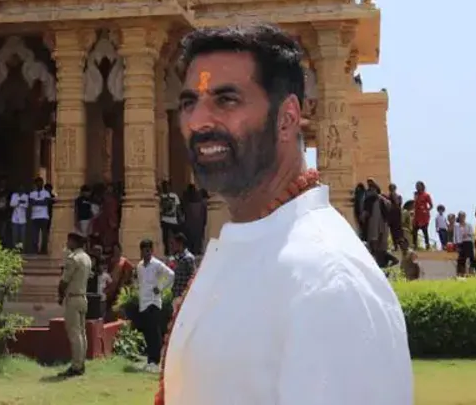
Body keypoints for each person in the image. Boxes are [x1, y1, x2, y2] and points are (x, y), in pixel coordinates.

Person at [159, 24, 411, 405]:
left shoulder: (327, 279)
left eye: (226, 100)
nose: (199, 121)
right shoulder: (249, 242)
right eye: (189, 102)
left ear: (287, 117)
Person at [134, 238, 174, 372]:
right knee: (147, 332)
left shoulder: (157, 264)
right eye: (143, 250)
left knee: (154, 332)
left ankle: (156, 361)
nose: (146, 253)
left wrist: (160, 287)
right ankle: (150, 359)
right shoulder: (139, 266)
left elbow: (170, 275)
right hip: (143, 302)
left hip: (154, 301)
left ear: (151, 250)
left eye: (148, 250)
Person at [57, 231, 92, 378]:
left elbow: (64, 281)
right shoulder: (86, 258)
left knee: (74, 333)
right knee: (82, 333)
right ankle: (81, 363)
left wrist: (60, 295)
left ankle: (76, 366)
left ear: (75, 242)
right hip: (83, 297)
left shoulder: (73, 259)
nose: (67, 243)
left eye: (69, 241)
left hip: (72, 298)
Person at [181, 184, 208, 255]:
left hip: (191, 223)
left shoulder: (188, 202)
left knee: (191, 239)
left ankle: (194, 251)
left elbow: (185, 213)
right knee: (197, 238)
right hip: (198, 223)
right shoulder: (201, 203)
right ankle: (196, 251)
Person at [168, 232, 195, 300]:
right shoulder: (175, 258)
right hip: (175, 295)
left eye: (173, 244)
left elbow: (193, 277)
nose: (171, 246)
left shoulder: (188, 258)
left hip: (184, 297)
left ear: (180, 243)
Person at [158, 180, 182, 256]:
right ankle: (167, 252)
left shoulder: (174, 196)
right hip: (164, 220)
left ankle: (177, 250)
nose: (166, 188)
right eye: (164, 186)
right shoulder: (161, 197)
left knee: (176, 237)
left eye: (167, 186)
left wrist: (180, 217)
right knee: (165, 238)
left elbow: (178, 208)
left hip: (173, 220)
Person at [412, 181, 433, 250]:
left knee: (425, 231)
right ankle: (414, 245)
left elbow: (431, 205)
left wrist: (426, 210)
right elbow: (414, 204)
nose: (417, 187)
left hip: (424, 217)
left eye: (418, 185)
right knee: (414, 230)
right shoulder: (415, 195)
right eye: (416, 186)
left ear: (422, 186)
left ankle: (427, 244)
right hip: (417, 216)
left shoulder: (426, 195)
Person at [453, 211, 475, 275]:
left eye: (463, 216)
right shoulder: (456, 226)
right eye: (460, 216)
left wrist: (467, 234)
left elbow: (472, 234)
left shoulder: (469, 225)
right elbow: (455, 236)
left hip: (468, 242)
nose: (462, 218)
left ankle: (471, 273)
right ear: (459, 217)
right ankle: (461, 273)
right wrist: (456, 245)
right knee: (461, 259)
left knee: (471, 259)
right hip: (460, 243)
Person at [9, 183, 30, 250]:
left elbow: (26, 205)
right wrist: (20, 202)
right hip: (15, 219)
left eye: (22, 188)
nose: (21, 190)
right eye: (19, 188)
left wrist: (18, 203)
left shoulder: (26, 196)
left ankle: (21, 249)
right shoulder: (14, 195)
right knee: (15, 235)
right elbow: (12, 204)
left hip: (23, 219)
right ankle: (15, 249)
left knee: (22, 236)